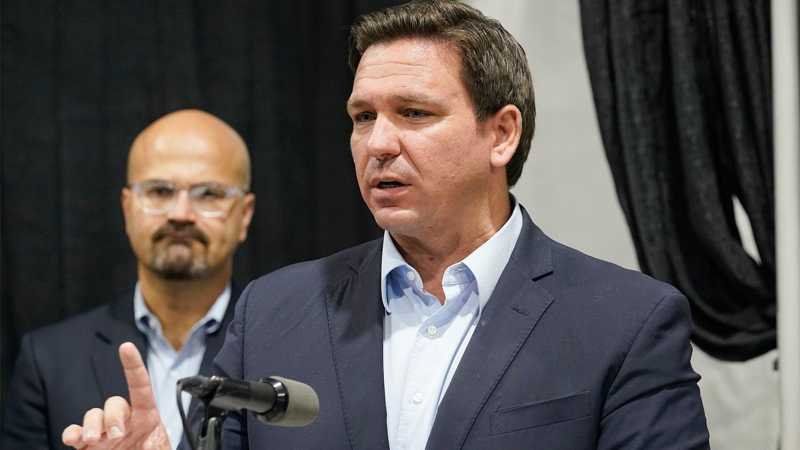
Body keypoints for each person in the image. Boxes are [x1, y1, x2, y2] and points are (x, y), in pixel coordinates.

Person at [61, 2, 710, 449]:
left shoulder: (625, 323)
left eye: (414, 113)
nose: (377, 143)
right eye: (362, 117)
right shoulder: (274, 312)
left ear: (501, 134)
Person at [2, 109, 255, 450]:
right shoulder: (48, 360)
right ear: (127, 208)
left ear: (245, 215)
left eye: (208, 194)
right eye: (160, 191)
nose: (180, 214)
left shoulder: (282, 351)